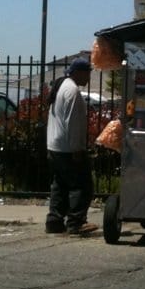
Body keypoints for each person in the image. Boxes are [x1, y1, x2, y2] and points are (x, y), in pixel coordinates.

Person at [45, 58, 97, 235]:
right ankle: (76, 222)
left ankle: (54, 222)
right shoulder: (72, 91)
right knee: (82, 185)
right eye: (88, 72)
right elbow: (73, 123)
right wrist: (77, 149)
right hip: (68, 147)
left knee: (60, 185)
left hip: (54, 146)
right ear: (78, 72)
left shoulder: (61, 86)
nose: (89, 76)